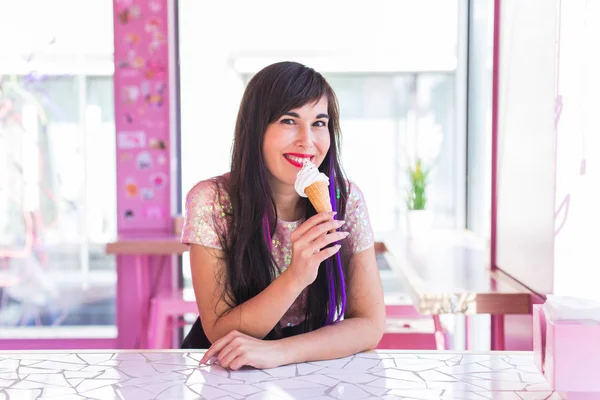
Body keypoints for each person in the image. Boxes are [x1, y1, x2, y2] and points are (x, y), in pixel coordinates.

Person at [180, 61, 385, 370]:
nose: (308, 140)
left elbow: (370, 324)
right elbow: (219, 331)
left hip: (310, 356)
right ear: (255, 128)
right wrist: (295, 277)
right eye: (289, 121)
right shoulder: (212, 200)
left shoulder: (345, 200)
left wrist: (281, 352)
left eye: (319, 123)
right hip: (225, 365)